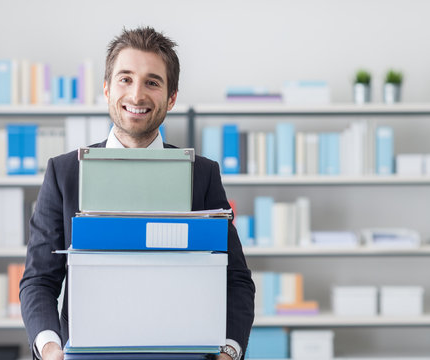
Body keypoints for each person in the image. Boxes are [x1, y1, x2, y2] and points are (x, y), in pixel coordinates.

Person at [19, 26, 255, 360]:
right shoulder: (65, 172)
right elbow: (39, 280)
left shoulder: (201, 174)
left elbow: (237, 281)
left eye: (152, 82)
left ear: (171, 98)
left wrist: (228, 352)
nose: (137, 95)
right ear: (106, 89)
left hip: (183, 352)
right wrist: (50, 348)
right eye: (125, 79)